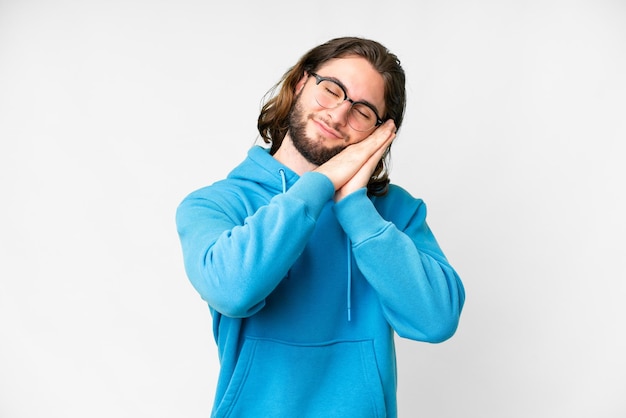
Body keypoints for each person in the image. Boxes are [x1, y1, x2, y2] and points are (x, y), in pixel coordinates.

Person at [176, 36, 465, 418]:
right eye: (332, 90)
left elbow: (436, 320)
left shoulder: (396, 212)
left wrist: (356, 211)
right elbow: (232, 290)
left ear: (380, 134)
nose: (339, 115)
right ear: (299, 84)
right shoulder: (216, 204)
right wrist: (322, 183)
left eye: (363, 111)